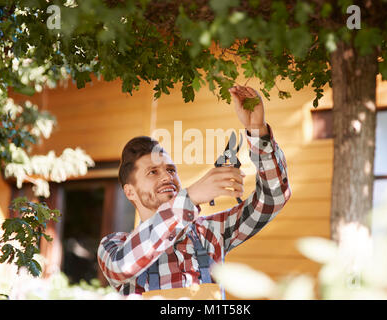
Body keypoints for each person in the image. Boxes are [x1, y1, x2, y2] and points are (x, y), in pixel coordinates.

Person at [97, 85, 292, 297]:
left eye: (171, 169)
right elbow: (123, 266)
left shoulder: (211, 232)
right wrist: (189, 198)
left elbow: (273, 198)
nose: (166, 176)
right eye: (152, 172)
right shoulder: (115, 246)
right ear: (130, 192)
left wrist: (258, 131)